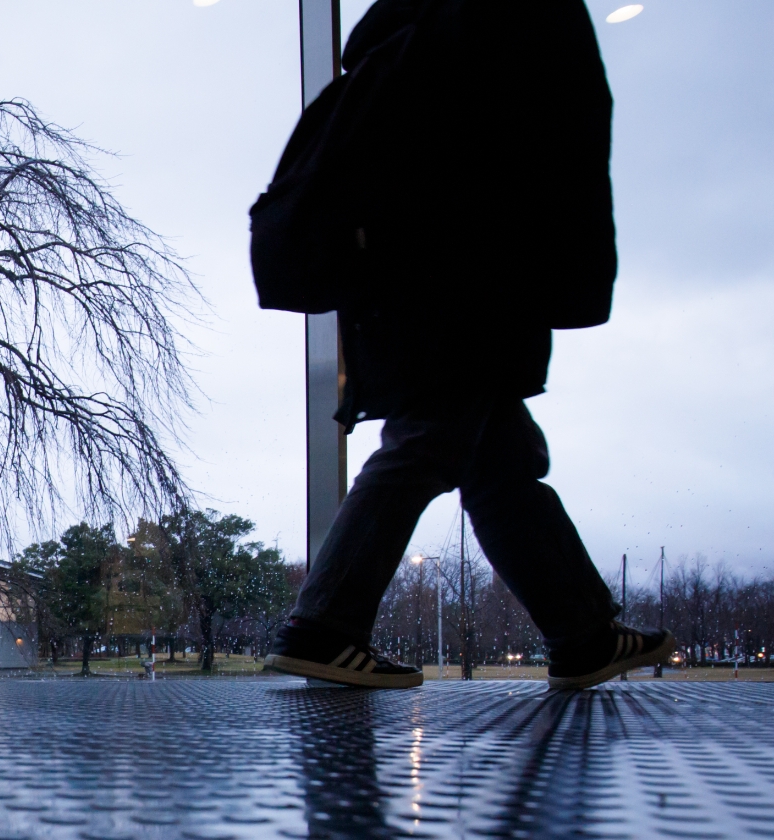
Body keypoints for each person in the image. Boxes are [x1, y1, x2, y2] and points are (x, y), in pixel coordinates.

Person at [251, 0, 672, 691]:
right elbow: (549, 151)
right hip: (465, 278)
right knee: (433, 438)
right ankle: (323, 626)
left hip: (418, 280)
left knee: (498, 458)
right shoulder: (491, 28)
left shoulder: (408, 37)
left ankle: (583, 633)